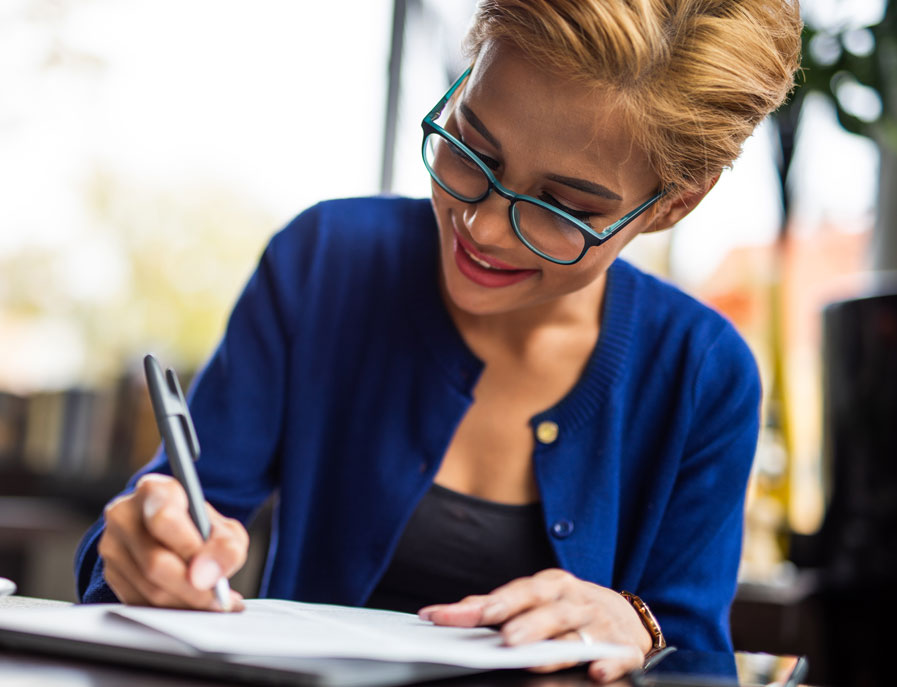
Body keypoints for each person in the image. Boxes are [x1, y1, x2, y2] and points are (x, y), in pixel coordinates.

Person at [75, 0, 802, 682]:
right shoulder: (323, 261)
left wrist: (638, 625)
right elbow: (161, 528)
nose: (480, 228)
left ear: (675, 203)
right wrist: (141, 553)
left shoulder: (702, 373)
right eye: (472, 148)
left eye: (563, 207)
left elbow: (695, 655)